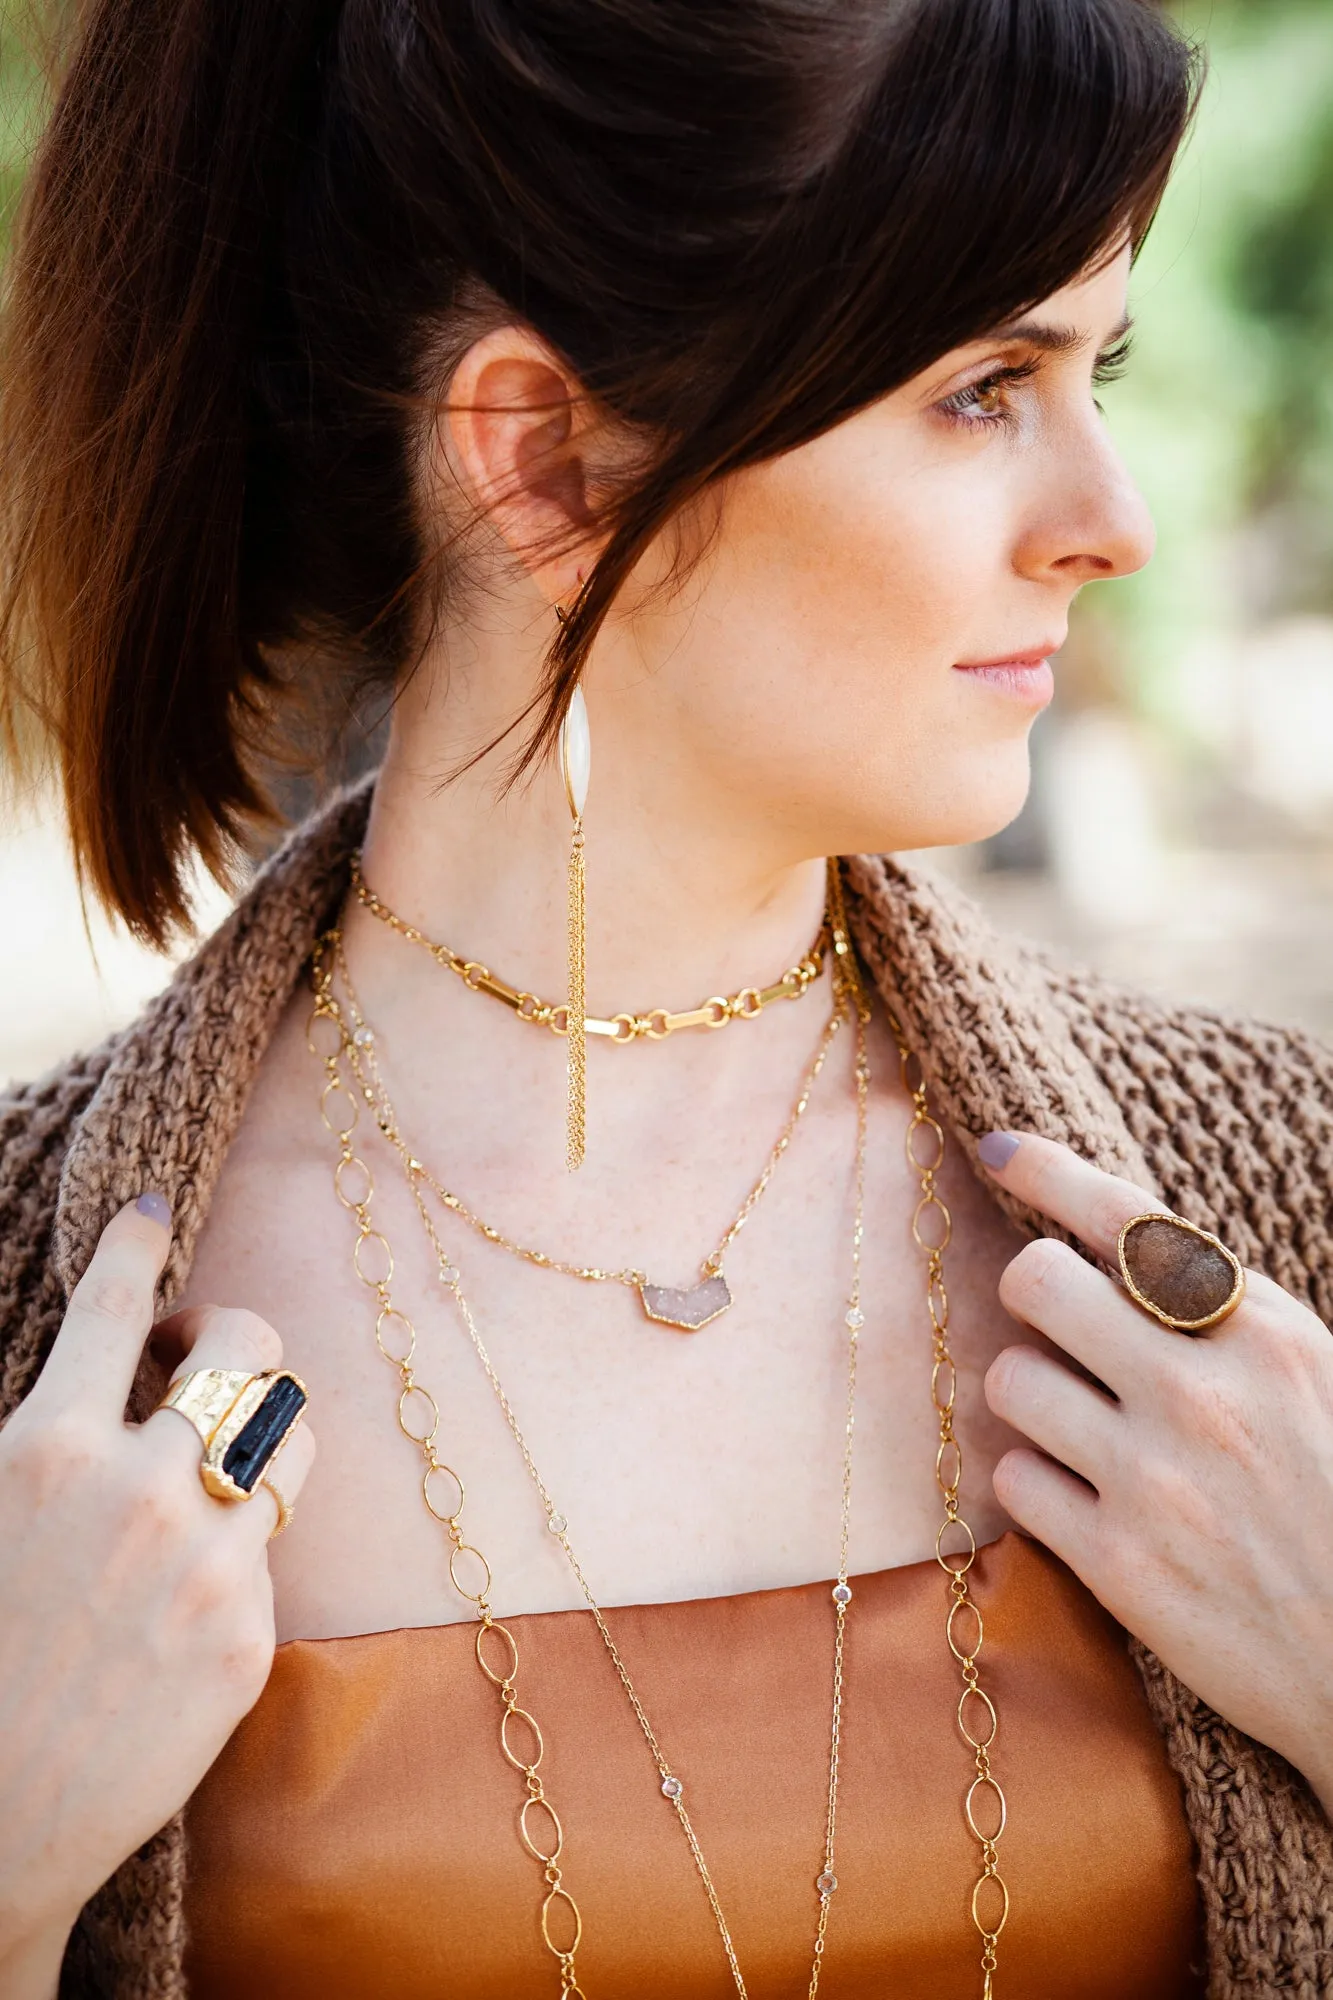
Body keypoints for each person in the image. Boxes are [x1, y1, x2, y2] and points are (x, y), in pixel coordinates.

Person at [2, 0, 1333, 1994]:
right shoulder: (33, 1327)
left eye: (1098, 371)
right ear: (543, 460)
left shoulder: (1282, 1205)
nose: (1112, 519)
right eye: (986, 384)